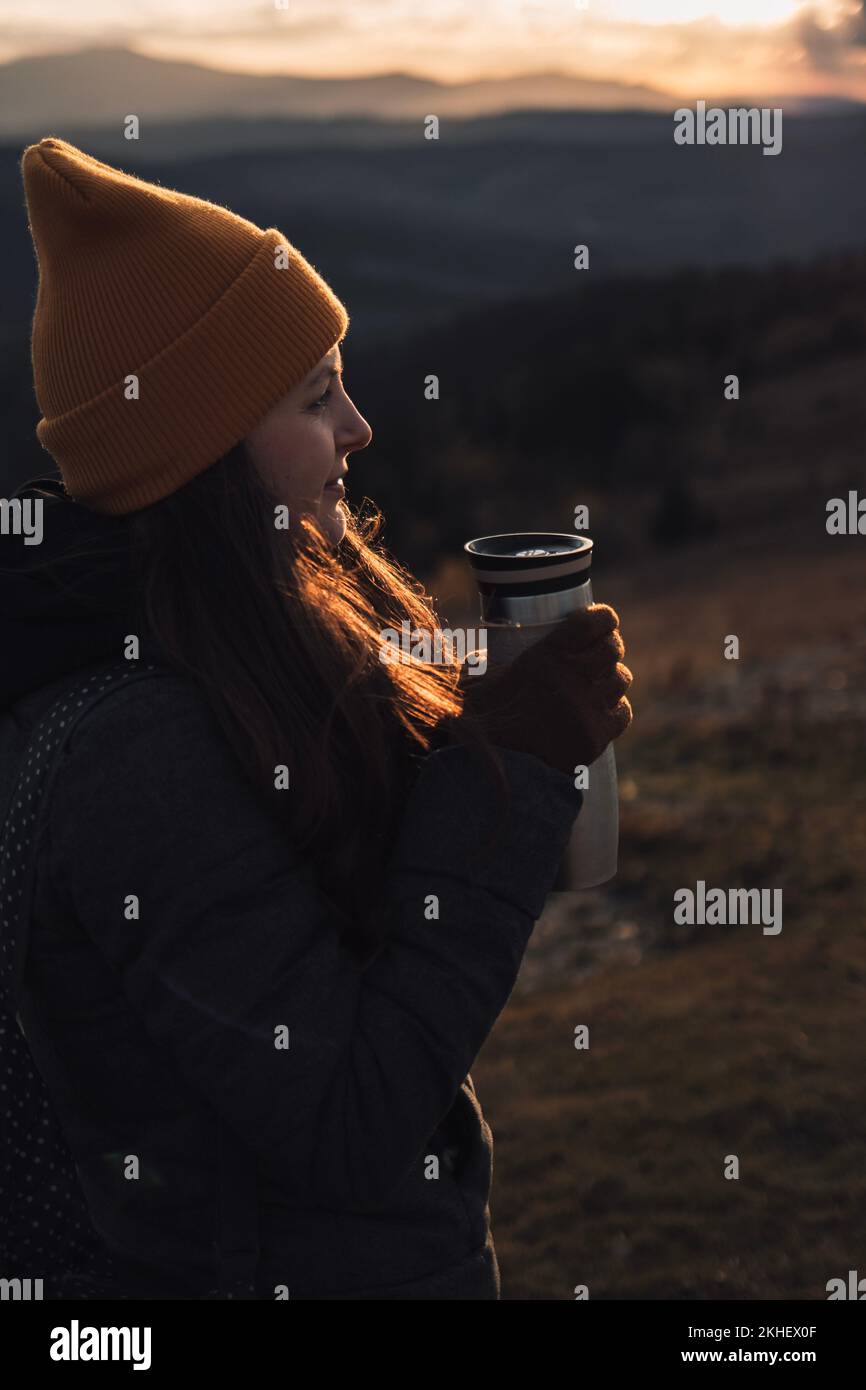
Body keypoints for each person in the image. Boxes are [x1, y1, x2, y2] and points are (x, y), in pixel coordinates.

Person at [0, 137, 633, 1299]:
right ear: (200, 450)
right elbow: (346, 1113)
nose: (357, 426)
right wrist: (510, 768)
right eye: (313, 394)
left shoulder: (234, 639)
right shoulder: (130, 747)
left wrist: (470, 750)